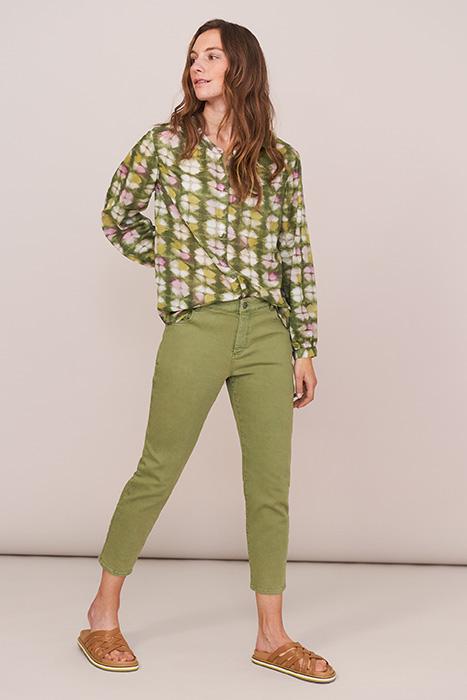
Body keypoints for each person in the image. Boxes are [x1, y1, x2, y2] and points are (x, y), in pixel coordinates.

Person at [77, 18, 336, 684]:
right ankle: (101, 615)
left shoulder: (279, 160)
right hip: (197, 325)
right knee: (158, 470)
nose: (197, 66)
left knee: (270, 486)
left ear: (240, 67)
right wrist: (172, 261)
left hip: (268, 330)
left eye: (212, 55)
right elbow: (116, 218)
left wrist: (304, 345)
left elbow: (294, 254)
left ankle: (272, 636)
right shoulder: (165, 146)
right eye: (193, 56)